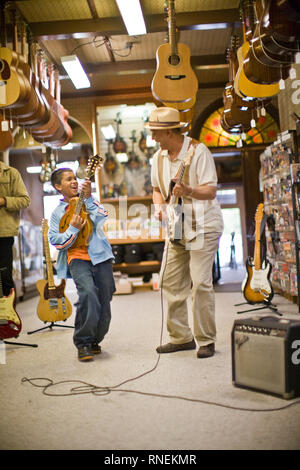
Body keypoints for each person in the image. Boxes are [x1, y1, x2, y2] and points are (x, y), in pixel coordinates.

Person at [146, 107, 224, 358]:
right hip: (176, 226)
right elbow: (157, 188)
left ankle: (206, 340)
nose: (153, 138)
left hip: (203, 225)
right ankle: (181, 337)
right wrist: (158, 207)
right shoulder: (157, 158)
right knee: (170, 282)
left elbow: (210, 191)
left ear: (169, 131)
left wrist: (188, 190)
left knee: (200, 283)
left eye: (156, 133)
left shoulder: (198, 152)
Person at [48, 167, 115, 362]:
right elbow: (57, 240)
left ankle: (95, 339)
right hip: (76, 258)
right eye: (68, 179)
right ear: (58, 186)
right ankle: (83, 342)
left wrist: (90, 197)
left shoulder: (89, 200)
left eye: (75, 178)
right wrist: (73, 229)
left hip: (101, 256)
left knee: (105, 296)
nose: (74, 182)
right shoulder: (57, 213)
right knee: (87, 294)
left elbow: (103, 216)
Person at [0, 160, 30, 298]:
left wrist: (4, 201)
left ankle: (10, 314)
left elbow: (25, 200)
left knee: (5, 277)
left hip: (3, 234)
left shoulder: (11, 173)